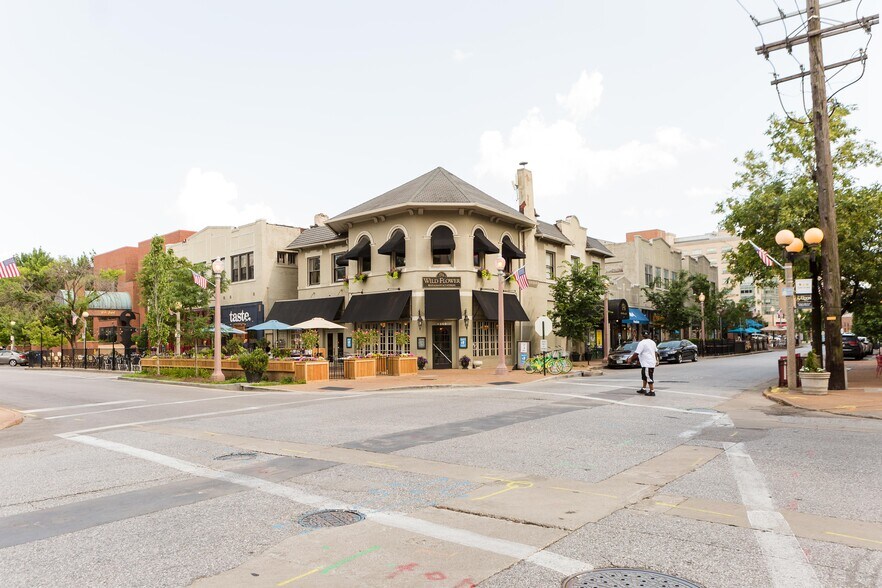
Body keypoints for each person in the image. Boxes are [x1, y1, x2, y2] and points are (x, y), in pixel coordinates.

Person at [628, 332, 660, 396]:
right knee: (644, 376)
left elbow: (637, 353)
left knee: (648, 376)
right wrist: (655, 359)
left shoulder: (642, 343)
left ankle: (652, 391)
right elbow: (656, 352)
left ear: (641, 335)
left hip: (647, 363)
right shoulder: (652, 342)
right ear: (649, 335)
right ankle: (643, 388)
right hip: (649, 362)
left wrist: (630, 359)